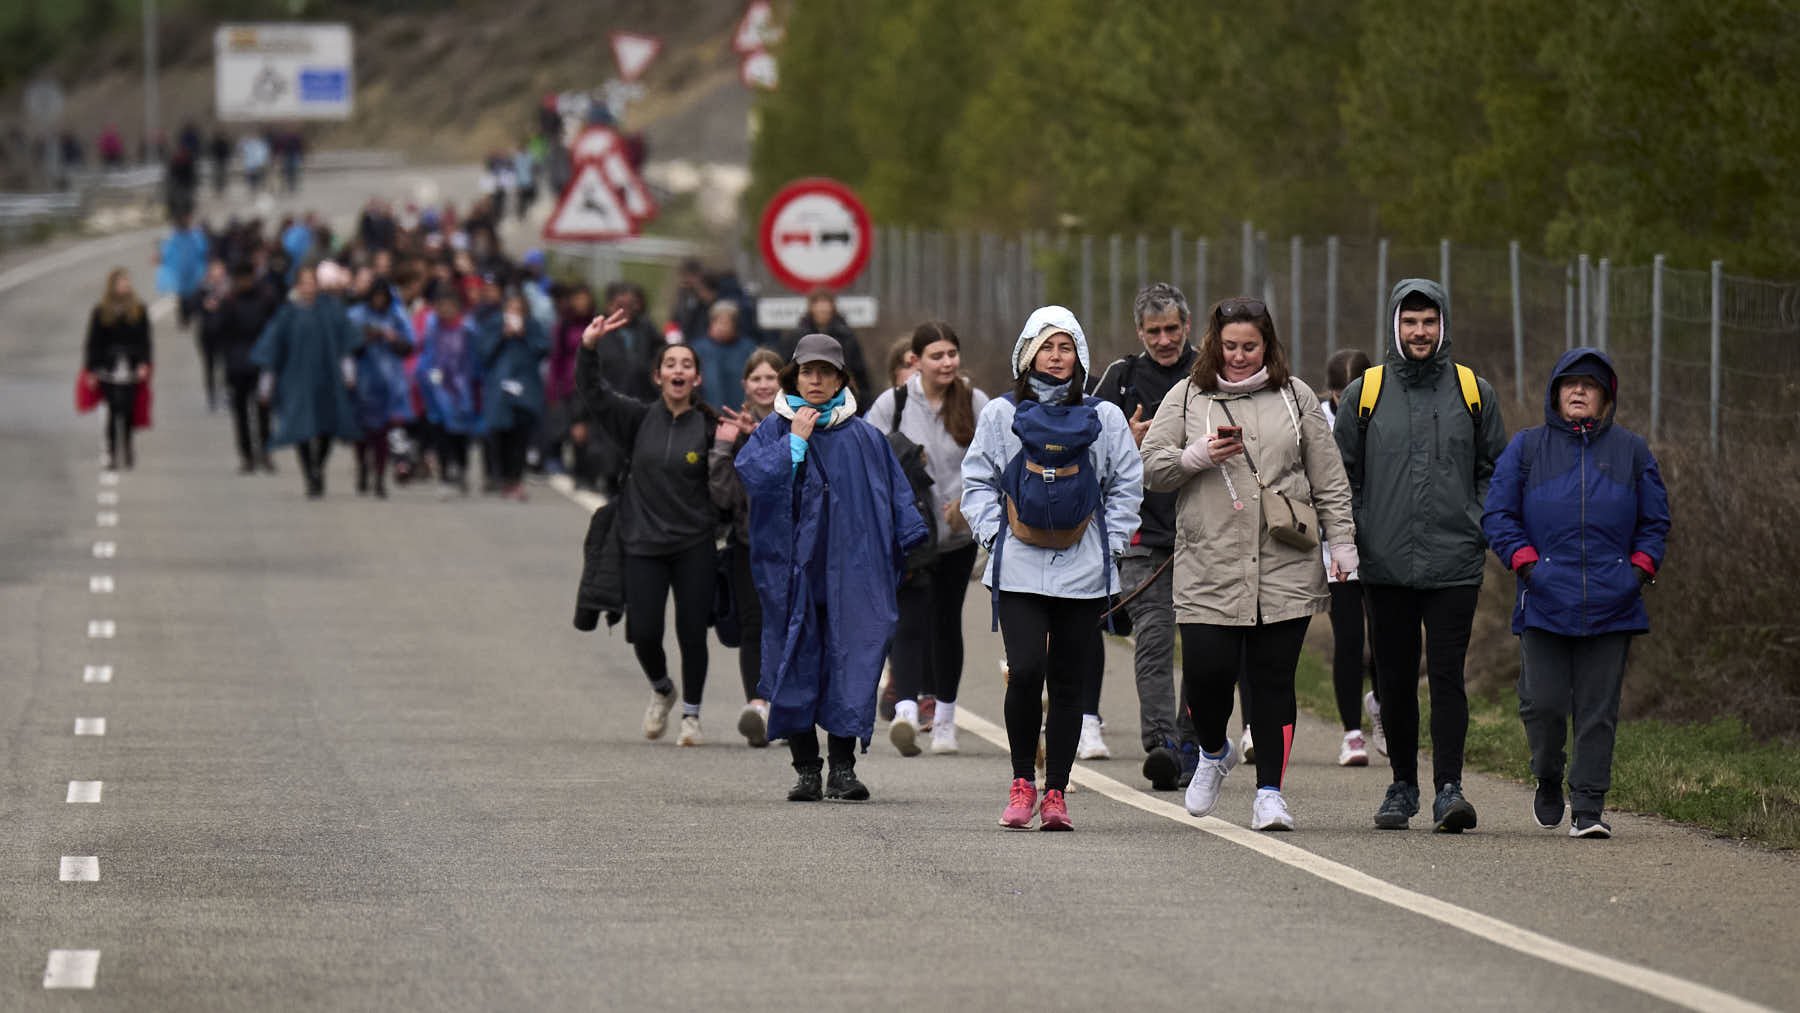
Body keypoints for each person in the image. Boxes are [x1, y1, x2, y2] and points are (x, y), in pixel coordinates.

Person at [1141, 297, 1356, 831]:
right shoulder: (1188, 395)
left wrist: (1344, 543)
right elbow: (1151, 468)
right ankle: (1214, 751)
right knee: (1209, 676)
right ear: (1215, 343)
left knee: (1272, 680)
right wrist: (1196, 456)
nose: (1239, 356)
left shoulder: (1296, 396)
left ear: (1268, 346)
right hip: (1207, 560)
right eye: (1230, 346)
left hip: (1285, 559)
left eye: (1250, 346)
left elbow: (1329, 478)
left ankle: (1269, 795)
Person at [1333, 278, 1507, 832]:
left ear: (1443, 325)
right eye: (1410, 322)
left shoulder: (1473, 391)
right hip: (1384, 564)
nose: (1420, 332)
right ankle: (1402, 785)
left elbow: (1494, 470)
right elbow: (1340, 476)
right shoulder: (1366, 391)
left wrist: (1477, 523)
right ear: (1394, 326)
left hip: (1455, 561)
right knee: (1395, 677)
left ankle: (1449, 788)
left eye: (1429, 322)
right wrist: (1361, 530)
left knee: (1449, 676)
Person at [961, 306, 1143, 830]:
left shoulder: (1105, 418)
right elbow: (977, 482)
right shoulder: (1000, 414)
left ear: (1080, 356)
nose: (1056, 357)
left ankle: (1056, 792)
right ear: (1028, 353)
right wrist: (995, 538)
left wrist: (1109, 548)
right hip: (1017, 568)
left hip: (1084, 571)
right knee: (1025, 671)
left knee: (1068, 683)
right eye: (1047, 347)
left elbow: (1126, 484)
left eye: (1066, 347)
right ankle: (1022, 781)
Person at [1482, 349, 1669, 839]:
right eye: (1570, 384)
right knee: (1542, 705)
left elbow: (1655, 522)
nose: (1580, 391)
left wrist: (1638, 572)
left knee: (1597, 711)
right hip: (1544, 599)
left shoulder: (1632, 451)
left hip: (1615, 603)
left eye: (1591, 385)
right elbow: (1498, 515)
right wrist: (1527, 566)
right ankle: (1547, 774)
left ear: (1606, 398)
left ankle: (1588, 807)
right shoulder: (1526, 449)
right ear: (1556, 393)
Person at [734, 333, 928, 800]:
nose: (815, 379)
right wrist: (795, 446)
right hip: (791, 574)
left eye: (825, 371)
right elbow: (755, 481)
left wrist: (907, 543)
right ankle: (806, 768)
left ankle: (842, 768)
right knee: (794, 661)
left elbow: (897, 498)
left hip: (853, 572)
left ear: (841, 378)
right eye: (807, 371)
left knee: (853, 661)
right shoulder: (776, 430)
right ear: (794, 376)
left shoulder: (863, 437)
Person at [578, 313, 719, 747]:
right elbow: (595, 395)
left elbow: (736, 479)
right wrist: (588, 349)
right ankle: (662, 688)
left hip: (694, 543)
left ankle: (692, 716)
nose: (678, 371)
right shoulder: (638, 420)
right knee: (644, 633)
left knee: (692, 632)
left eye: (686, 365)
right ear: (658, 376)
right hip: (642, 542)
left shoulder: (712, 427)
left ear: (696, 378)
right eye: (670, 365)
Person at [1091, 282, 1203, 789]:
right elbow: (1085, 441)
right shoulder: (1121, 377)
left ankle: (1192, 742)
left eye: (1172, 329)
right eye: (1154, 331)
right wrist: (1122, 439)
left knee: (1205, 645)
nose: (1164, 340)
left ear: (1187, 326)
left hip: (1204, 535)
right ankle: (1161, 745)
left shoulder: (1211, 372)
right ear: (1140, 332)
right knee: (1154, 640)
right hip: (1141, 535)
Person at [865, 322, 989, 755]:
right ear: (915, 361)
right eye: (937, 356)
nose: (947, 363)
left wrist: (968, 504)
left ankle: (945, 722)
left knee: (945, 623)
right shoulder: (892, 404)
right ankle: (904, 710)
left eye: (952, 354)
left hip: (957, 535)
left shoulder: (975, 402)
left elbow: (994, 460)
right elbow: (869, 464)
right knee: (909, 620)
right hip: (909, 536)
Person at [708, 347, 786, 747]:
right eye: (756, 379)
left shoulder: (798, 423)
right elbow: (722, 495)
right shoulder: (731, 430)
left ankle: (789, 709)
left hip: (791, 546)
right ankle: (757, 705)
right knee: (754, 626)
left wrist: (764, 440)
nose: (763, 385)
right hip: (747, 543)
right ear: (745, 385)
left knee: (790, 627)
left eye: (770, 377)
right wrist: (724, 449)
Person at [250, 263, 361, 498]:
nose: (308, 286)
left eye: (312, 282)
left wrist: (349, 373)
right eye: (304, 282)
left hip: (326, 378)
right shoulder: (287, 315)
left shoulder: (332, 311)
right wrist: (266, 383)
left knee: (327, 427)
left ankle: (319, 465)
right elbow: (272, 349)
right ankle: (309, 473)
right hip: (296, 380)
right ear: (297, 285)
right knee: (300, 428)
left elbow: (345, 344)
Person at [1321, 347, 1382, 765]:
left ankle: (1381, 709)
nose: (1346, 399)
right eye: (1340, 391)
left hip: (1380, 542)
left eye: (1353, 391)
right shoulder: (1317, 420)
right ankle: (1352, 733)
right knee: (1348, 639)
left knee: (1383, 638)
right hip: (1334, 547)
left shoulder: (1383, 415)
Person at [475, 290, 550, 500]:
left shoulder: (533, 326)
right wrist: (502, 336)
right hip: (499, 388)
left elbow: (543, 349)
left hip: (526, 388)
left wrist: (524, 334)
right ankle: (497, 476)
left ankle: (516, 479)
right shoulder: (494, 325)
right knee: (497, 434)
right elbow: (483, 353)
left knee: (521, 435)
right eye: (511, 309)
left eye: (520, 310)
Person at [346, 283, 416, 498]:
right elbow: (347, 345)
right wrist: (366, 337)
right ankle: (363, 469)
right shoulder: (356, 315)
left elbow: (409, 345)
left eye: (382, 297)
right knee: (362, 432)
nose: (378, 301)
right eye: (375, 296)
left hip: (389, 383)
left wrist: (392, 338)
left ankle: (379, 477)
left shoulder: (396, 317)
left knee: (382, 434)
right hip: (363, 381)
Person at [416, 287, 485, 497]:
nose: (445, 310)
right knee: (440, 435)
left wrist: (474, 388)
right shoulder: (433, 330)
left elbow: (476, 361)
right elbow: (426, 357)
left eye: (449, 306)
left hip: (461, 392)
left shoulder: (468, 330)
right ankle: (445, 475)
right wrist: (425, 379)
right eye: (441, 306)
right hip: (437, 391)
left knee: (460, 436)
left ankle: (462, 469)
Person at [82, 269, 153, 471]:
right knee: (112, 410)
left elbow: (145, 341)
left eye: (127, 282)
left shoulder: (138, 310)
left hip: (130, 366)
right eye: (121, 282)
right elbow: (93, 342)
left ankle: (128, 447)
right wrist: (91, 369)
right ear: (112, 285)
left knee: (128, 409)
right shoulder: (101, 311)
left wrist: (144, 363)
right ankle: (112, 453)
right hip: (108, 367)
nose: (125, 286)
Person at [213, 260, 279, 474]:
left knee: (263, 411)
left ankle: (266, 452)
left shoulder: (266, 299)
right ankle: (247, 455)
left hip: (261, 364)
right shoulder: (229, 302)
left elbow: (275, 329)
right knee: (241, 413)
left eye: (247, 278)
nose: (244, 283)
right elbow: (219, 332)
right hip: (237, 365)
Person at [780, 289, 873, 402]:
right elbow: (787, 368)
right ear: (811, 308)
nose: (822, 309)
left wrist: (861, 401)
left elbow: (860, 373)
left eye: (826, 306)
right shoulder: (796, 337)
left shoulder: (847, 337)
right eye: (818, 305)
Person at [695, 301, 757, 410]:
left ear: (735, 325)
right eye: (718, 322)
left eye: (726, 323)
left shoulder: (748, 349)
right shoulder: (698, 350)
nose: (722, 328)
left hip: (742, 413)